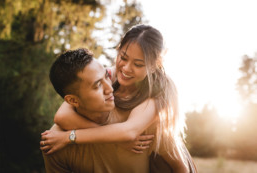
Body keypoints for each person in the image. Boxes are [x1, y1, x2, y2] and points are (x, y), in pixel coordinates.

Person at [41, 24, 197, 172]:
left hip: (163, 158)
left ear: (154, 65)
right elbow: (62, 115)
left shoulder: (160, 91)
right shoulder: (110, 75)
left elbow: (129, 132)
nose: (126, 68)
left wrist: (69, 137)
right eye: (123, 57)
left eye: (138, 64)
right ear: (118, 50)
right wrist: (115, 139)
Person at [42, 48, 154, 173]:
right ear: (73, 101)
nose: (109, 88)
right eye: (98, 85)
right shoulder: (53, 142)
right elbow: (61, 117)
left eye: (107, 76)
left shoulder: (138, 118)